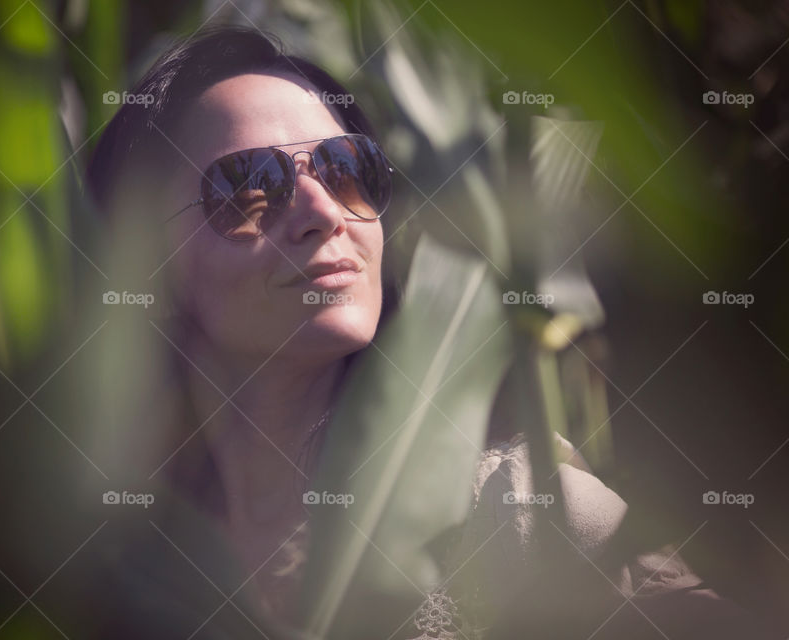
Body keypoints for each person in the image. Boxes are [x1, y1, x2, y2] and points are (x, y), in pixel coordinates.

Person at [85, 25, 779, 640]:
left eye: (347, 170)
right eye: (247, 188)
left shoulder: (513, 510)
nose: (324, 213)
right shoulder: (95, 553)